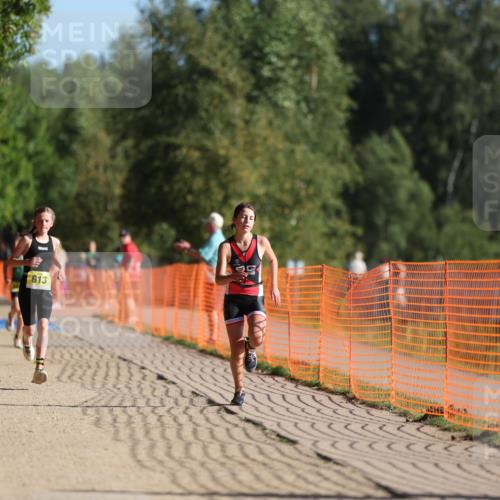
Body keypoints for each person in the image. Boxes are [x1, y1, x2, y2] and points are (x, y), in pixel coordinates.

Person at [215, 203, 281, 406]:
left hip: (255, 297)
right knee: (236, 351)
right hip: (233, 300)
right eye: (243, 217)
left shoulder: (261, 242)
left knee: (258, 337)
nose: (247, 221)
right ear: (235, 220)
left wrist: (274, 286)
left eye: (251, 218)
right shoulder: (226, 247)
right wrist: (232, 276)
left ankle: (251, 347)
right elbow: (218, 279)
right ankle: (239, 390)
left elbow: (273, 260)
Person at [10, 206, 65, 384]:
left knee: (43, 327)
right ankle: (26, 341)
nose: (43, 223)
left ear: (52, 223)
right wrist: (27, 261)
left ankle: (39, 368)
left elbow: (55, 257)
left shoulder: (55, 242)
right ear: (34, 221)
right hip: (27, 290)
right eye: (40, 220)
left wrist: (60, 269)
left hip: (44, 291)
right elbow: (11, 261)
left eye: (47, 220)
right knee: (30, 329)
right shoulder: (27, 240)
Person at [174, 212, 226, 344]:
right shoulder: (216, 237)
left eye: (207, 222)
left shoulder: (215, 238)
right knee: (212, 307)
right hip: (215, 275)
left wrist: (187, 248)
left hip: (213, 276)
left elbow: (203, 255)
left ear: (212, 223)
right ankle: (214, 336)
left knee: (212, 307)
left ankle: (214, 337)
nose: (205, 224)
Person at [119, 229, 143, 326]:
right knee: (130, 297)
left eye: (125, 236)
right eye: (121, 237)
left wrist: (127, 271)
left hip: (132, 276)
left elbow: (133, 258)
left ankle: (132, 318)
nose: (123, 238)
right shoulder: (126, 247)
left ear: (129, 236)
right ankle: (133, 317)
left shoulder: (129, 246)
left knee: (130, 297)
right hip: (133, 276)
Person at [4, 235, 24, 348]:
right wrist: (7, 277)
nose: (18, 245)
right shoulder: (13, 254)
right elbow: (6, 265)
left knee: (21, 314)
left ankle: (18, 337)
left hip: (25, 284)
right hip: (15, 283)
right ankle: (10, 317)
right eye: (16, 243)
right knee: (17, 308)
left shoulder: (27, 252)